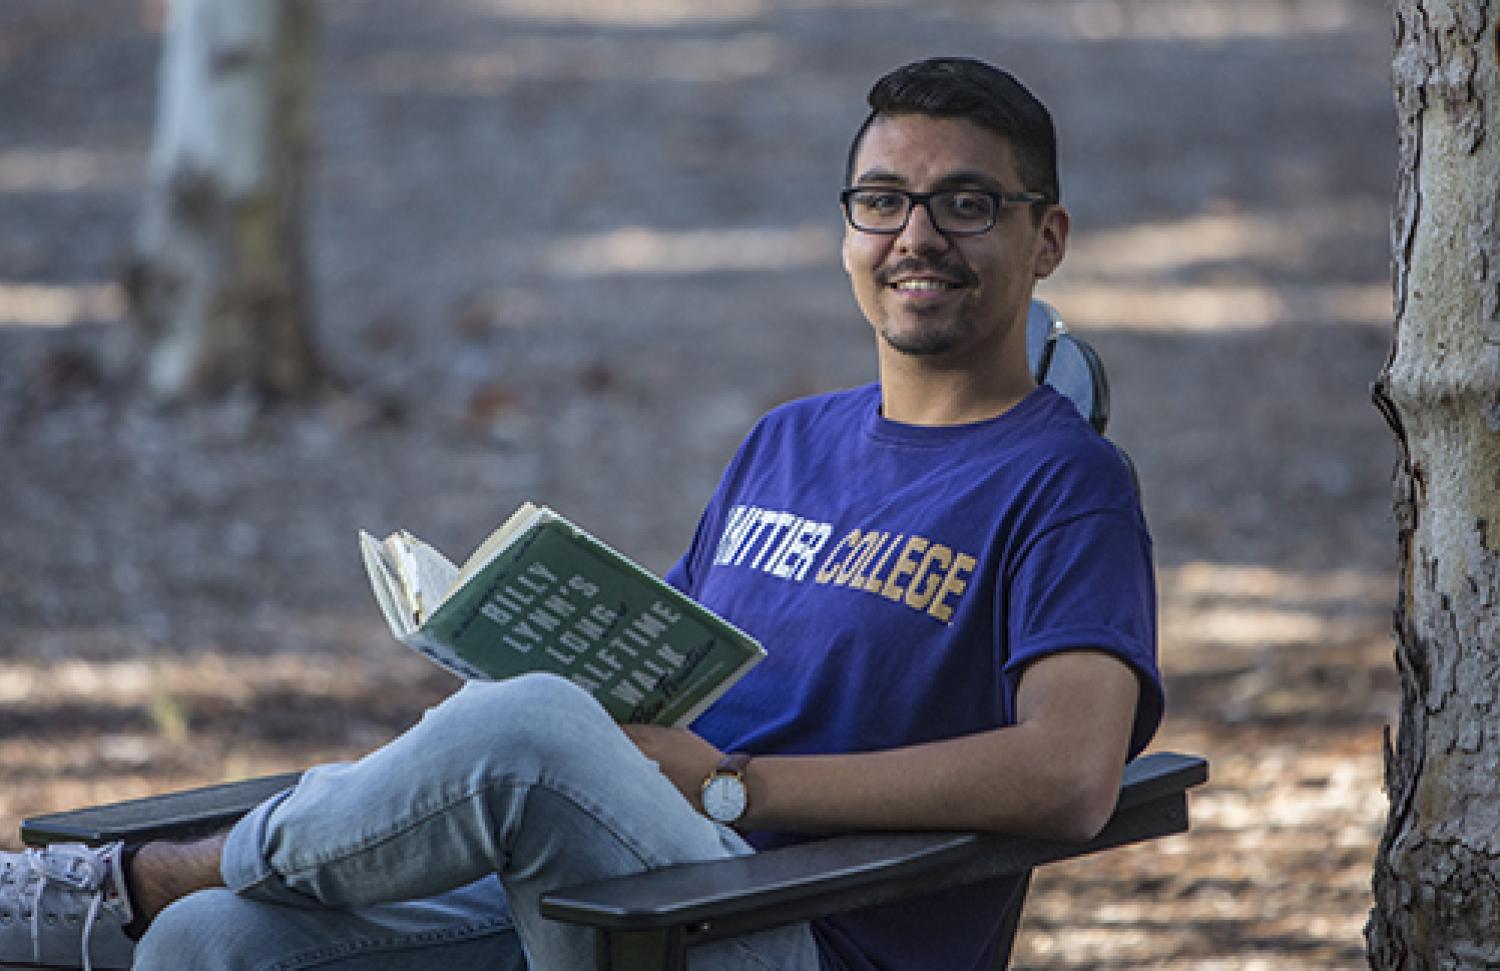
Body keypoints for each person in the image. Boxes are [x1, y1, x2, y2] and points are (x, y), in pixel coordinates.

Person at [2, 56, 1162, 970]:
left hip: (800, 926)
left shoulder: (1061, 483)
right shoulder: (789, 438)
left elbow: (1068, 773)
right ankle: (177, 897)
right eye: (882, 200)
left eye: (967, 203)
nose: (917, 235)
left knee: (531, 728)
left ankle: (128, 883)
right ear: (847, 230)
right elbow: (667, 689)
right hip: (636, 884)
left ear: (1044, 237)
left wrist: (733, 787)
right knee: (219, 946)